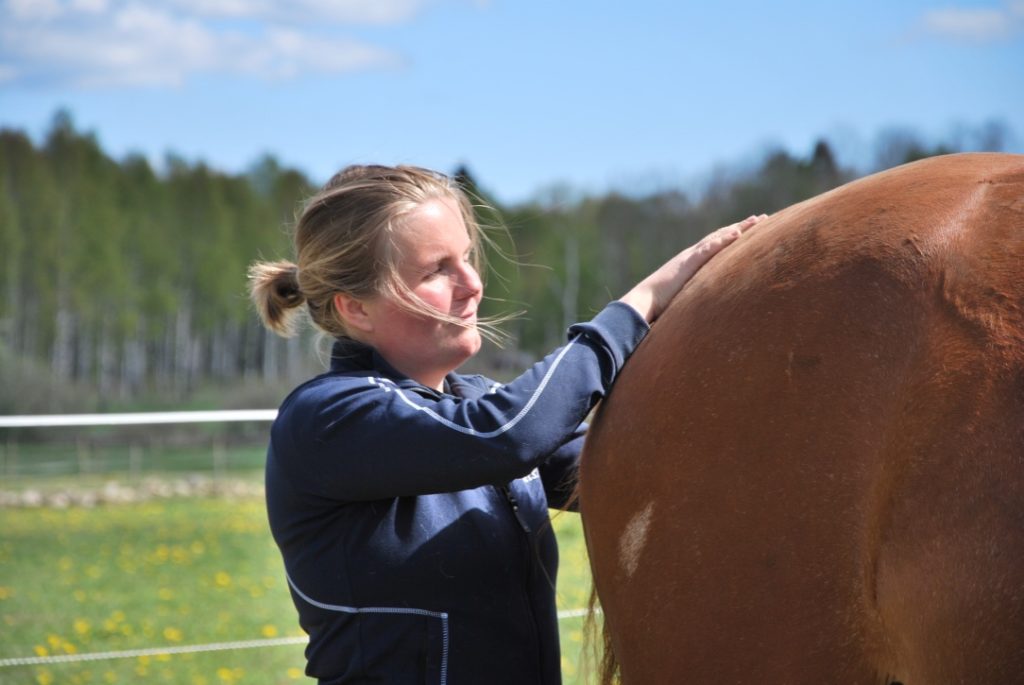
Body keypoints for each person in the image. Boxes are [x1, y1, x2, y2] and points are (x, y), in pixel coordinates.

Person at [248, 164, 764, 684]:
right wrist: (640, 305)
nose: (471, 285)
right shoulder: (329, 416)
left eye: (467, 258)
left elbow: (631, 469)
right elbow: (508, 435)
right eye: (436, 270)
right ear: (356, 308)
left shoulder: (474, 403)